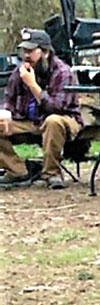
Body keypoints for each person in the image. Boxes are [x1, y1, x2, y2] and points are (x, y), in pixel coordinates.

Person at [0, 28, 81, 190]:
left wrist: (32, 84)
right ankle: (18, 171)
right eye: (24, 51)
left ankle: (52, 174)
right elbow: (9, 97)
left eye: (30, 51)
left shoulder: (62, 72)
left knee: (53, 121)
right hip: (29, 121)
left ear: (44, 52)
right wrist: (5, 115)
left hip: (63, 119)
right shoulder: (21, 70)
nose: (26, 56)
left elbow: (56, 108)